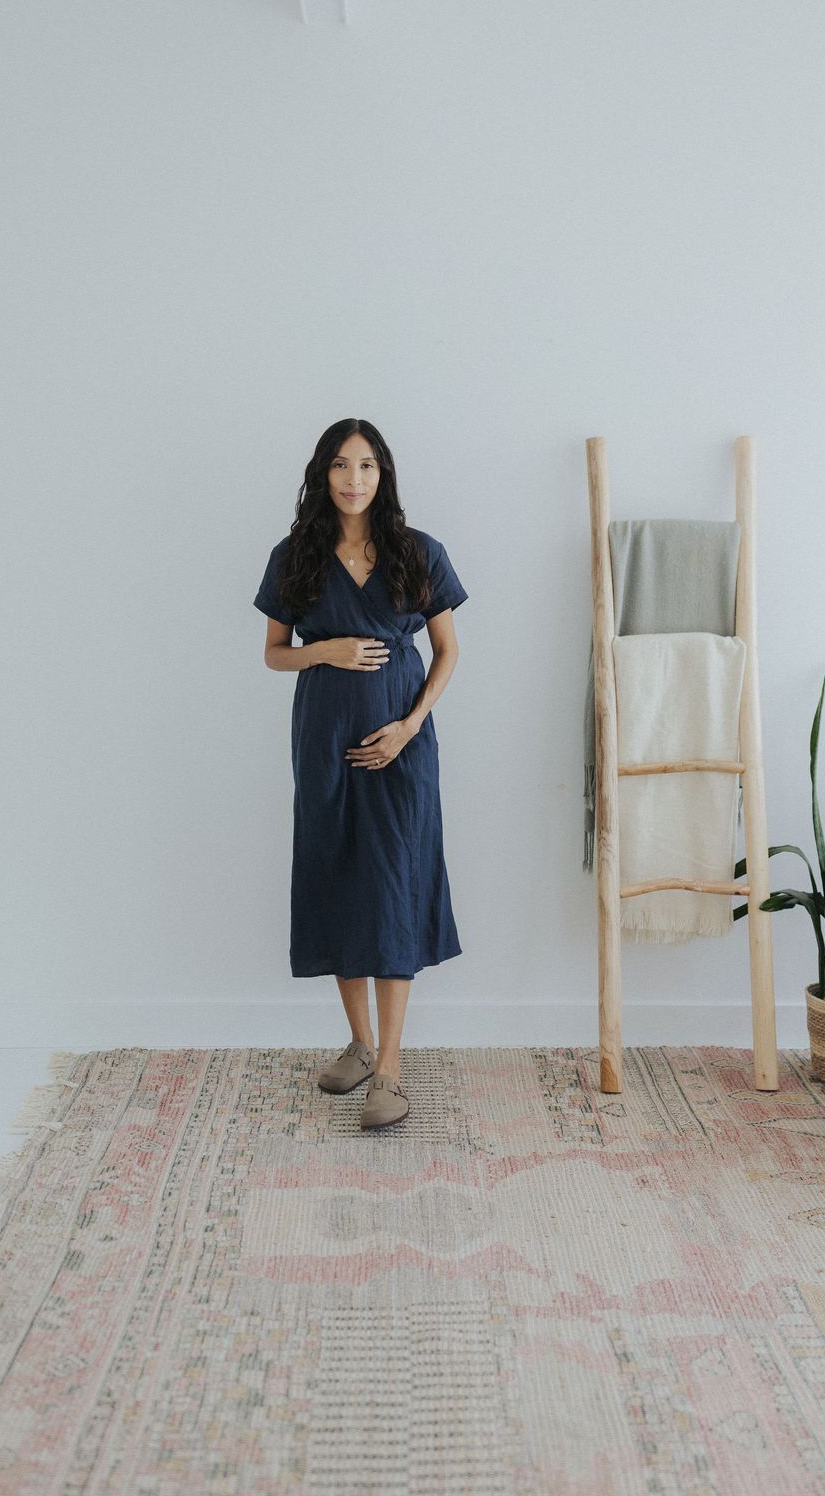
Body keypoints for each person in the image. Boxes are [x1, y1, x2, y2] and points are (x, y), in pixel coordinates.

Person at [253, 418, 468, 1130]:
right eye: (341, 466)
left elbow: (446, 652)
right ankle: (358, 1042)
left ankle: (390, 1069)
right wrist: (329, 651)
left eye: (367, 466)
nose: (353, 480)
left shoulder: (417, 552)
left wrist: (408, 726)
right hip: (323, 740)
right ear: (323, 473)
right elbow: (275, 654)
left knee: (394, 884)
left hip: (400, 748)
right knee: (337, 874)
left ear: (384, 475)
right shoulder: (296, 556)